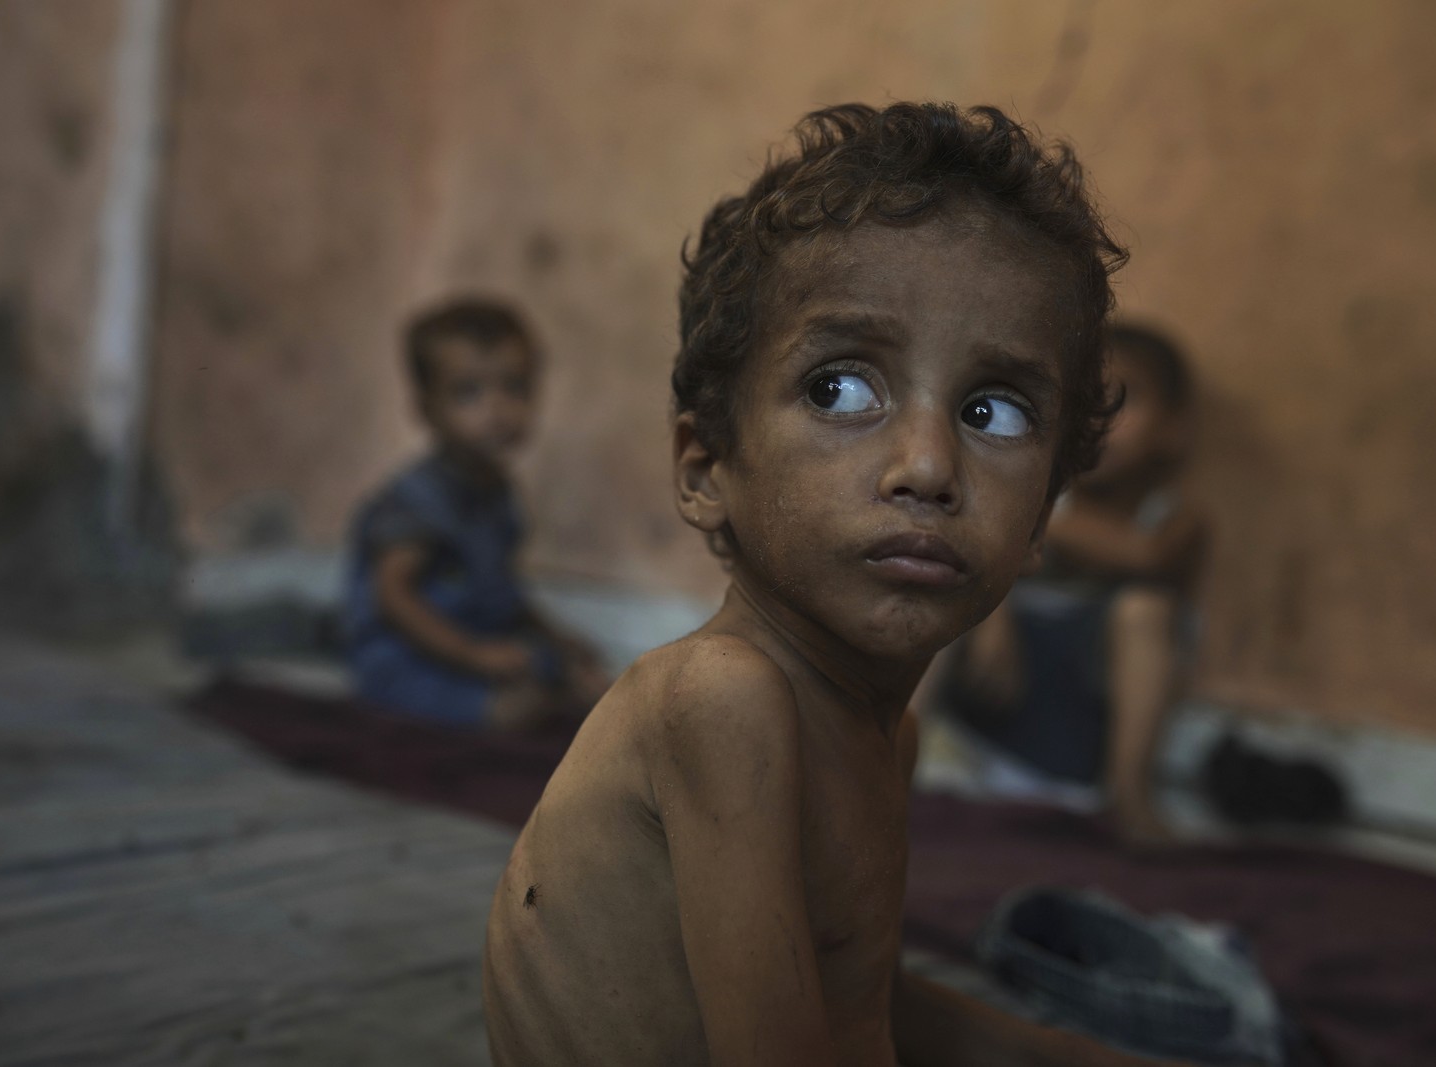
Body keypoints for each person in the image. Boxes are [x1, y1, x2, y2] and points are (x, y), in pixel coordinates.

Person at [483, 102, 1179, 1066]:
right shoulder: (720, 700)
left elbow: (857, 1010)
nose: (929, 464)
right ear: (704, 469)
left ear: (1041, 521)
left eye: (995, 411)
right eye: (841, 389)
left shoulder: (884, 734)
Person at [935, 324, 1208, 843]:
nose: (1097, 421)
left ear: (1173, 428)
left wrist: (1030, 523)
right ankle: (893, 752)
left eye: (1121, 401)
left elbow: (1145, 556)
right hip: (992, 712)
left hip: (1084, 731)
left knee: (1144, 610)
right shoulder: (1034, 499)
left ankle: (1129, 796)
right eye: (1081, 401)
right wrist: (994, 613)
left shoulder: (1172, 520)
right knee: (947, 580)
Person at [343, 298, 606, 730]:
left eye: (515, 387)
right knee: (510, 712)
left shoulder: (498, 492)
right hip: (407, 656)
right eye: (469, 393)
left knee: (568, 671)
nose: (497, 410)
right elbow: (393, 597)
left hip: (476, 639)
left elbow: (501, 590)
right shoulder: (417, 499)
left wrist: (554, 636)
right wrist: (474, 655)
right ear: (426, 408)